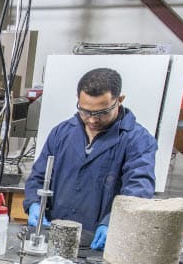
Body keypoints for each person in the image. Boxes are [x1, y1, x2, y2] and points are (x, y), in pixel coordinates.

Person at [23, 67, 156, 250]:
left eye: (101, 113)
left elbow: (138, 189)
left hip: (101, 243)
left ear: (119, 100)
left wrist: (114, 222)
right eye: (85, 111)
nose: (92, 120)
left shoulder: (138, 140)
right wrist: (33, 204)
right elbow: (38, 176)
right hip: (55, 238)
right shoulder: (62, 133)